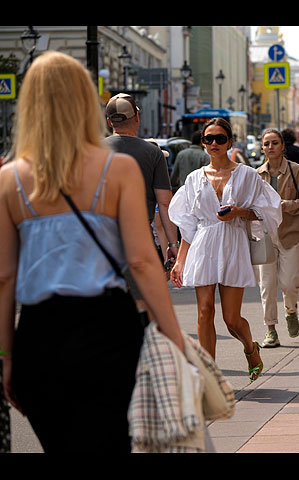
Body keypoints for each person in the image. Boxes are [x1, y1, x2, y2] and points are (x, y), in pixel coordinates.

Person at [0, 51, 184, 453]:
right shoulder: (114, 169)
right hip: (107, 330)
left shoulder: (9, 179)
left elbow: (5, 279)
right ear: (86, 103)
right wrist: (175, 342)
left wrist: (7, 357)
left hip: (38, 335)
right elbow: (139, 260)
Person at [168, 117, 282, 382]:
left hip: (233, 243)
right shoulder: (194, 179)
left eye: (220, 138)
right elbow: (189, 225)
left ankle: (250, 348)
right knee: (205, 310)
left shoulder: (247, 175)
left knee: (231, 319)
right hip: (203, 244)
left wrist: (239, 212)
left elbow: (269, 210)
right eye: (209, 139)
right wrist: (180, 261)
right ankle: (210, 377)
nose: (214, 144)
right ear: (203, 143)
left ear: (230, 141)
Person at [104, 93, 180, 313]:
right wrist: (172, 246)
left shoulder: (91, 151)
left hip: (100, 237)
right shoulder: (152, 153)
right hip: (139, 238)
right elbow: (165, 204)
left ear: (110, 121)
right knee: (143, 303)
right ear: (137, 118)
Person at [256, 129, 299, 348]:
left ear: (282, 146)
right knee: (267, 285)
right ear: (262, 148)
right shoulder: (256, 174)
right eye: (266, 144)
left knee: (288, 283)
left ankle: (291, 311)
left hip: (290, 234)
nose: (270, 147)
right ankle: (270, 329)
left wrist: (289, 206)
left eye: (274, 143)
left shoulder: (295, 170)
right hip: (264, 235)